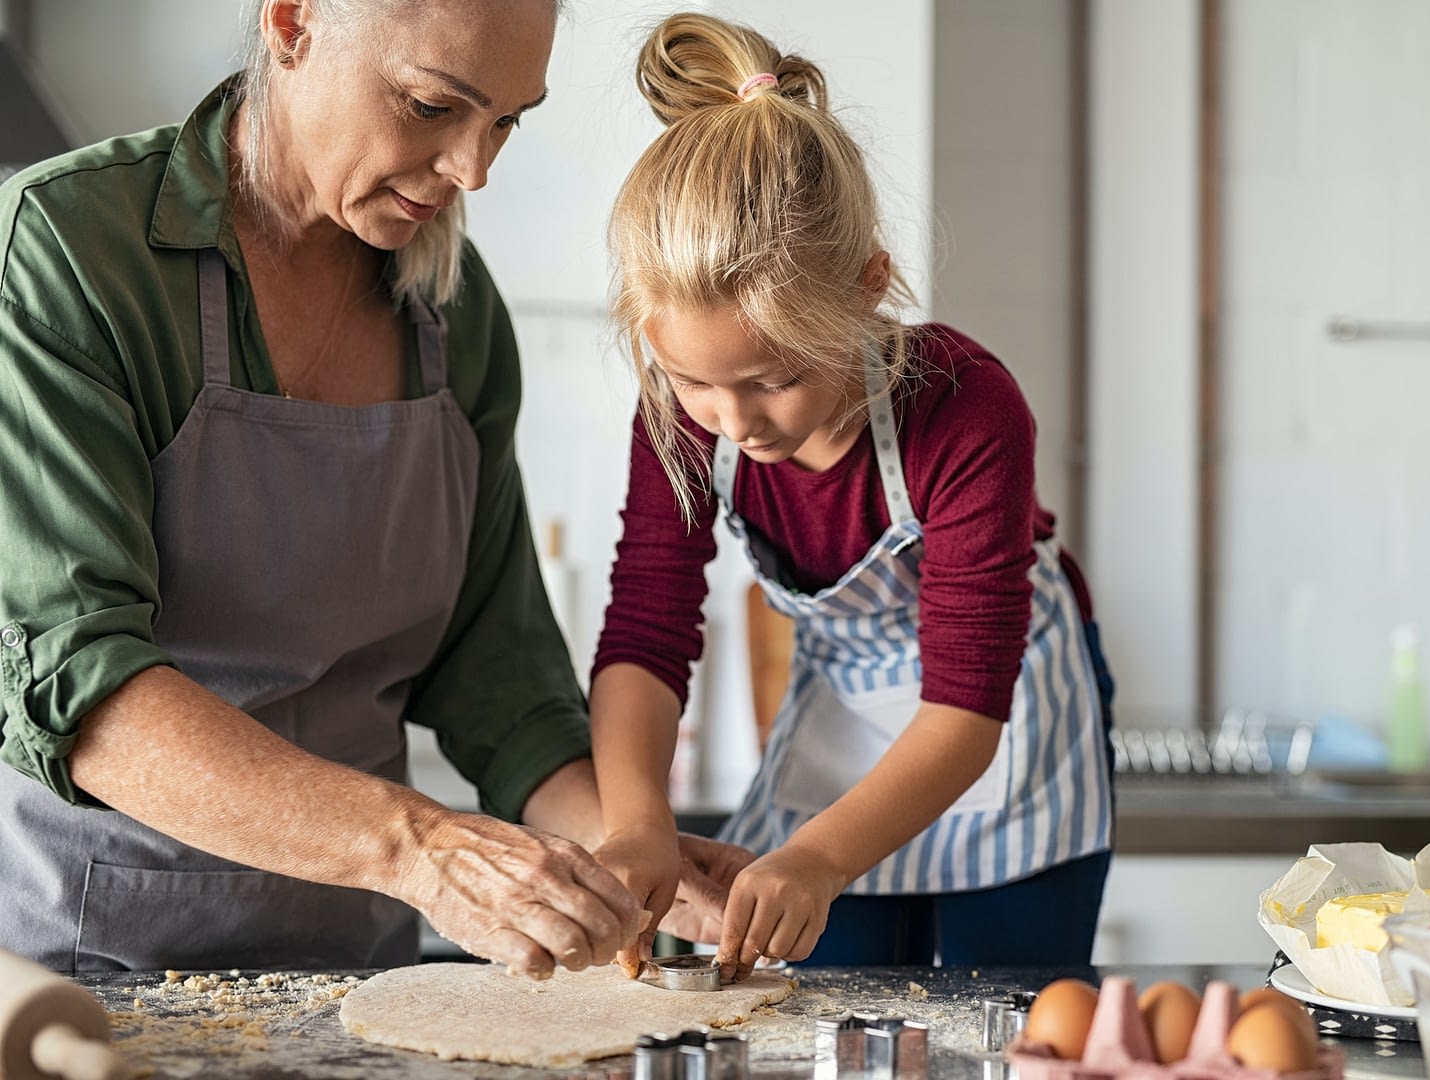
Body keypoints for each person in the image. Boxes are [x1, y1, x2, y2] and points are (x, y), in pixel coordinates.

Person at [0, 0, 734, 976]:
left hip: (350, 982)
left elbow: (501, 687)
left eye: (509, 120)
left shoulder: (455, 315)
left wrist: (630, 857)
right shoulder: (70, 254)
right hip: (84, 976)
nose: (476, 170)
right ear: (293, 21)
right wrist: (420, 849)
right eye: (434, 105)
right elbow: (77, 684)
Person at [590, 12, 1116, 979]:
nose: (733, 420)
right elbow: (647, 630)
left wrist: (821, 856)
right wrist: (636, 824)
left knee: (1008, 1013)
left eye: (774, 378)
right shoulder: (682, 416)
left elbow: (963, 705)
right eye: (695, 381)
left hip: (997, 724)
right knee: (818, 1011)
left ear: (867, 287)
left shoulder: (966, 408)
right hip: (843, 714)